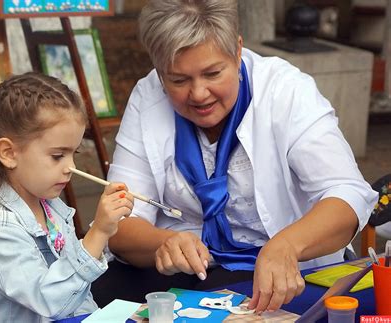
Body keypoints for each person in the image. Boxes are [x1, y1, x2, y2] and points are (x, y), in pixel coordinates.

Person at [91, 0, 378, 313]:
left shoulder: (286, 91)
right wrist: (162, 243)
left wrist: (287, 244)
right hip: (190, 270)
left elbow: (347, 195)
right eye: (178, 80)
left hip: (281, 273)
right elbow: (119, 221)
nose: (199, 93)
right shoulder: (147, 97)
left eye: (213, 73)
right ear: (159, 71)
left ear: (238, 50)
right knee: (93, 300)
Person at [0, 72, 134, 322]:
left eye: (74, 153)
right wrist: (98, 232)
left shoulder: (50, 206)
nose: (71, 167)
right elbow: (50, 301)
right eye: (58, 155)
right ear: (9, 153)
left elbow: (78, 300)